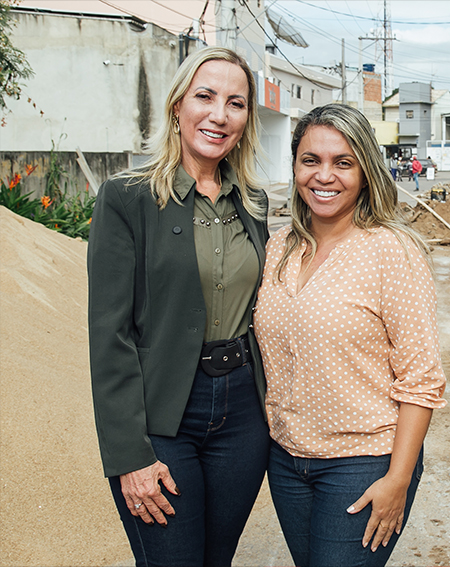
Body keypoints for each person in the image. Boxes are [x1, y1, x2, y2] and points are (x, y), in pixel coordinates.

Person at [87, 47, 270, 566]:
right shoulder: (127, 197)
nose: (219, 115)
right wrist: (129, 455)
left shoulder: (253, 202)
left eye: (236, 103)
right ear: (177, 106)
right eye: (205, 97)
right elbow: (109, 334)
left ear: (246, 120)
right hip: (163, 416)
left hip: (242, 417)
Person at [253, 103, 447, 567]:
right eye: (310, 160)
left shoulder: (391, 251)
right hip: (287, 461)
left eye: (343, 162)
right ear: (295, 166)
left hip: (363, 461)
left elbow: (422, 379)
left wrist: (398, 479)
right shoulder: (280, 246)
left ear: (365, 172)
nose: (324, 176)